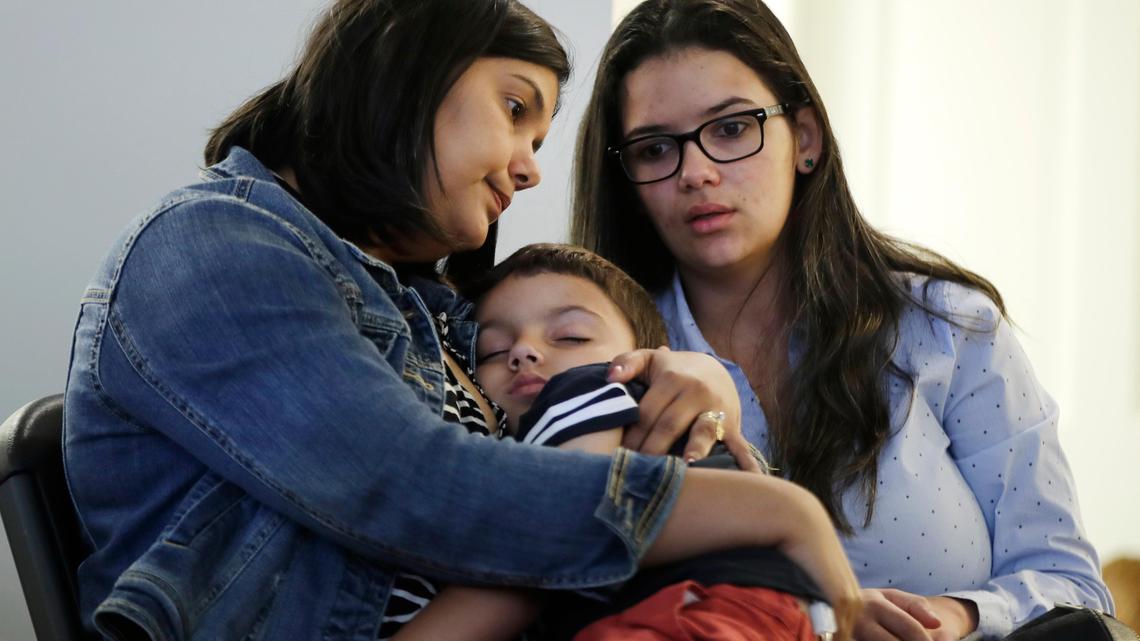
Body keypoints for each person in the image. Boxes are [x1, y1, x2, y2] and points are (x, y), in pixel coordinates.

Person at [61, 1, 861, 640]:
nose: (529, 164)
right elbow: (422, 487)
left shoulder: (417, 310)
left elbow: (534, 451)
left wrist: (681, 367)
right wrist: (783, 513)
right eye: (515, 108)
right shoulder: (210, 246)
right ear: (407, 67)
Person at [571, 1, 1113, 639]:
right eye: (656, 147)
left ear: (804, 138)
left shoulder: (948, 326)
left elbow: (1070, 585)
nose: (697, 172)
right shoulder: (600, 358)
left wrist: (953, 616)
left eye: (732, 129)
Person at [389, 242, 832, 641]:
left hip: (692, 606)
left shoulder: (588, 386)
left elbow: (562, 530)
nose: (522, 351)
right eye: (492, 350)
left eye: (571, 336)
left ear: (646, 358)